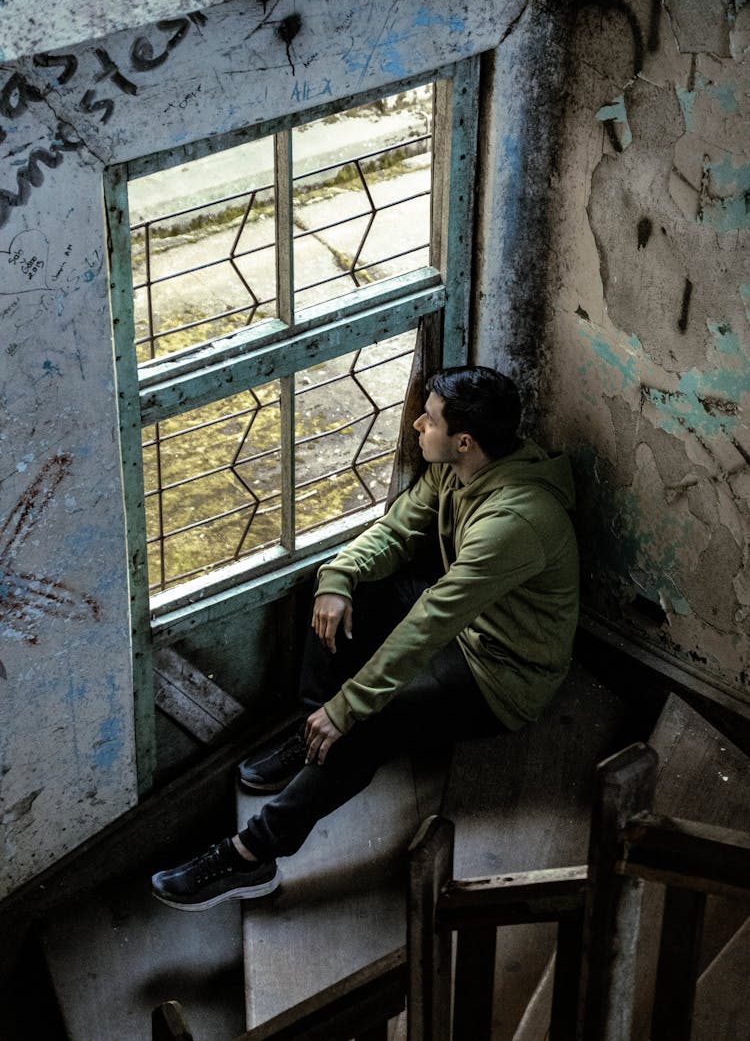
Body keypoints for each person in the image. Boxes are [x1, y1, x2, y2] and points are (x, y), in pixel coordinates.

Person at [151, 366, 579, 910]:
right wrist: (338, 578)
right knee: (335, 587)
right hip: (467, 625)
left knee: (365, 726)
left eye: (431, 418)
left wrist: (350, 708)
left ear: (464, 441)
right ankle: (315, 738)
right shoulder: (463, 470)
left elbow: (432, 620)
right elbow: (398, 531)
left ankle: (250, 856)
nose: (418, 423)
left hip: (502, 672)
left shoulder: (516, 519)